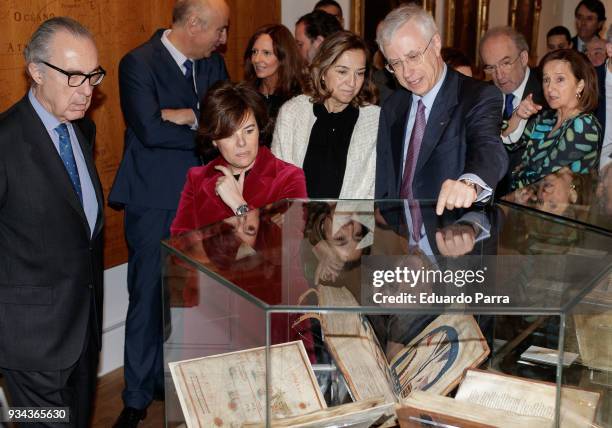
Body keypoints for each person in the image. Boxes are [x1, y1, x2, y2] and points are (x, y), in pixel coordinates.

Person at [107, 0, 229, 425]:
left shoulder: (213, 65)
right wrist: (203, 126)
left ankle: (170, 378)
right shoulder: (137, 63)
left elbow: (226, 120)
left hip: (208, 197)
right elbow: (148, 129)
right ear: (193, 24)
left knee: (198, 294)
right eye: (218, 30)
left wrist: (186, 117)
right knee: (147, 295)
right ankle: (136, 396)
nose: (223, 39)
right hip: (153, 197)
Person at [0, 17, 105, 427]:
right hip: (30, 344)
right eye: (74, 76)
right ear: (37, 71)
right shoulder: (6, 142)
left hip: (82, 332)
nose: (87, 91)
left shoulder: (82, 130)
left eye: (93, 76)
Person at [375, 5, 508, 215]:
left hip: (453, 235)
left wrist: (469, 183)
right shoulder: (393, 106)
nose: (407, 72)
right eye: (396, 64)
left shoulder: (477, 96)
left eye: (413, 57)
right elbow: (385, 181)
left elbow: (488, 149)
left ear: (436, 44)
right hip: (399, 240)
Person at [171, 80, 307, 233]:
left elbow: (288, 246)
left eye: (249, 131)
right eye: (229, 135)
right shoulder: (197, 179)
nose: (241, 143)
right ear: (214, 139)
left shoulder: (288, 178)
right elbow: (180, 247)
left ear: (259, 129)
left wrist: (239, 206)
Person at [272, 31, 380, 199]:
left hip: (350, 223)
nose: (352, 83)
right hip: (296, 222)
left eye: (359, 73)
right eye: (342, 72)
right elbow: (277, 181)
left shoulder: (376, 121)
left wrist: (351, 222)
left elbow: (374, 190)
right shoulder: (292, 113)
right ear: (323, 71)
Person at [504, 49, 601, 190]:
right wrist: (517, 116)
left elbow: (544, 175)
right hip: (527, 203)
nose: (549, 88)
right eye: (546, 80)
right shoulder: (545, 119)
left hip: (562, 209)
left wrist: (518, 173)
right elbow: (508, 144)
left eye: (559, 79)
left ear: (580, 85)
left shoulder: (585, 125)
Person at [243, 24, 305, 147]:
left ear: (284, 57)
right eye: (254, 52)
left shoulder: (299, 98)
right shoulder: (245, 95)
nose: (256, 59)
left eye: (266, 53)